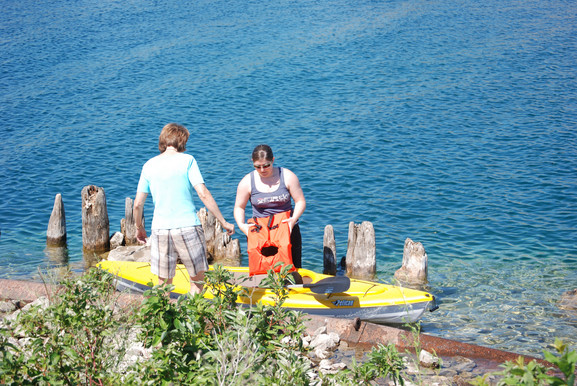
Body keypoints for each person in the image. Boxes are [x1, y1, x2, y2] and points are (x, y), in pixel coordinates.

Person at [133, 123, 235, 294]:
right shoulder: (188, 160)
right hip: (188, 226)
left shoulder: (148, 165)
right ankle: (194, 316)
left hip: (160, 229)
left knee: (163, 282)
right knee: (197, 279)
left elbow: (137, 204)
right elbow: (203, 193)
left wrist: (139, 228)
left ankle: (164, 317)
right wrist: (223, 222)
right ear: (182, 140)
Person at [234, 144, 306, 268]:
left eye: (266, 165)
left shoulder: (288, 176)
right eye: (257, 166)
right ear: (253, 163)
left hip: (287, 227)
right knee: (264, 268)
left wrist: (293, 220)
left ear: (273, 160)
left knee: (293, 267)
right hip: (261, 232)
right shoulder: (247, 182)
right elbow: (239, 207)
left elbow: (300, 201)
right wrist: (242, 226)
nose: (262, 170)